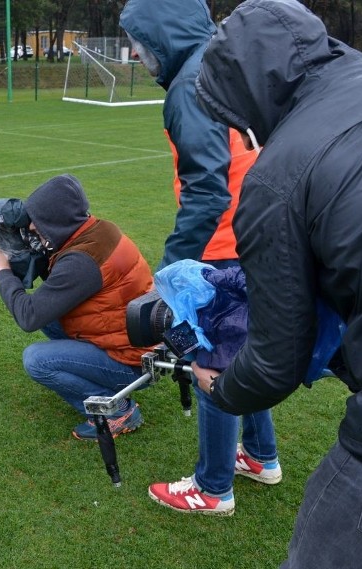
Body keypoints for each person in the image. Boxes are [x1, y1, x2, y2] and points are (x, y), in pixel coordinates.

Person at [193, 0, 362, 565]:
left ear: (246, 97)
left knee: (331, 541)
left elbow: (277, 360)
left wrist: (220, 389)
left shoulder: (278, 174)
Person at [120, 0, 281, 516]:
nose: (134, 52)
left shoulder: (192, 84)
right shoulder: (222, 66)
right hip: (256, 236)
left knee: (209, 362)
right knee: (241, 356)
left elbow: (207, 192)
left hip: (225, 249)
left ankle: (213, 489)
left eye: (138, 39)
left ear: (160, 34)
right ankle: (260, 456)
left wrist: (172, 271)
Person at [0, 174, 155, 441]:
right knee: (49, 313)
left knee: (37, 360)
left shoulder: (82, 261)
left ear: (56, 220)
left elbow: (28, 316)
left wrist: (3, 270)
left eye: (38, 220)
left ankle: (116, 412)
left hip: (132, 362)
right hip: (135, 340)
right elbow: (55, 288)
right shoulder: (99, 230)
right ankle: (107, 388)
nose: (32, 226)